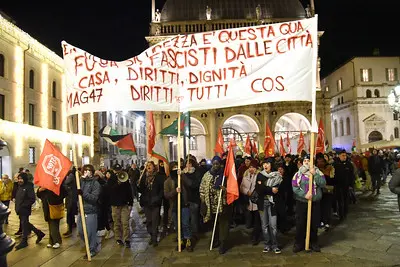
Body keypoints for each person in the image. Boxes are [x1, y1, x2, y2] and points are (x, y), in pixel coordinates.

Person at [292, 155, 326, 253]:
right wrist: (304, 195)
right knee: (301, 223)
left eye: (308, 160)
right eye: (305, 160)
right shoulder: (298, 174)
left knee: (314, 223)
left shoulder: (318, 172)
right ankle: (299, 243)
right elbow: (295, 187)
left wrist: (315, 174)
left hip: (314, 203)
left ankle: (313, 242)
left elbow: (323, 183)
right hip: (302, 203)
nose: (307, 162)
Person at [199, 156, 232, 254]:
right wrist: (203, 199)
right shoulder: (207, 175)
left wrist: (225, 190)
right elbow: (202, 188)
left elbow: (231, 190)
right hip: (211, 205)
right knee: (214, 223)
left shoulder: (224, 176)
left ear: (220, 164)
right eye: (214, 163)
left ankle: (223, 242)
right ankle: (215, 239)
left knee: (223, 224)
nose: (215, 165)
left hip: (222, 205)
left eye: (217, 163)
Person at [255, 158, 282, 254]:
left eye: (267, 163)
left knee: (273, 225)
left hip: (272, 203)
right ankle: (267, 244)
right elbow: (259, 189)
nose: (265, 165)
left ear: (271, 165)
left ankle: (275, 245)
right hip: (262, 203)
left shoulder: (277, 175)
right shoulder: (260, 175)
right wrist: (270, 190)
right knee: (264, 225)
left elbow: (278, 189)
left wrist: (267, 188)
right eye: (264, 164)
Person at [14, 172, 45, 250]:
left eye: (21, 179)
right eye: (19, 179)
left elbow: (32, 199)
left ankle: (24, 241)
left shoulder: (28, 186)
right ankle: (39, 233)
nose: (19, 180)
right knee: (25, 223)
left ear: (24, 179)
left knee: (24, 224)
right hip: (19, 208)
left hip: (24, 209)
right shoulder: (19, 186)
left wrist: (23, 205)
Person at [77, 164, 101, 259]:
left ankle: (92, 249)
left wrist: (84, 194)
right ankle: (92, 243)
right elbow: (68, 184)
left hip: (91, 211)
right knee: (81, 231)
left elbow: (94, 198)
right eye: (85, 170)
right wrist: (72, 173)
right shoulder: (80, 181)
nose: (87, 172)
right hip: (81, 210)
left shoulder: (95, 184)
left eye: (89, 171)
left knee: (90, 232)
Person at [138, 161, 164, 247]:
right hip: (146, 202)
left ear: (154, 167)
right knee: (149, 221)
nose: (149, 167)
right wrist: (139, 181)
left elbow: (161, 189)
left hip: (155, 202)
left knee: (155, 220)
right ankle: (151, 235)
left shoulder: (158, 177)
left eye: (150, 165)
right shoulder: (143, 177)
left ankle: (154, 238)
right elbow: (140, 189)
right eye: (147, 165)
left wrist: (158, 198)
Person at [108, 164, 133, 248]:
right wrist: (118, 183)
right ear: (114, 170)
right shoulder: (111, 179)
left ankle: (127, 239)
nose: (117, 172)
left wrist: (131, 202)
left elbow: (129, 191)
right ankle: (118, 238)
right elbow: (110, 190)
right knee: (117, 222)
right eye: (116, 170)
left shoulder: (125, 178)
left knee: (125, 222)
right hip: (115, 205)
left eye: (119, 170)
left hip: (124, 204)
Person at [240, 159, 261, 245]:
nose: (251, 169)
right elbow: (242, 187)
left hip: (257, 201)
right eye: (250, 167)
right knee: (251, 219)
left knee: (257, 219)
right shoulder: (245, 176)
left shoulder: (259, 176)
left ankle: (255, 236)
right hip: (249, 201)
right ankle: (253, 234)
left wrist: (254, 193)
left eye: (253, 167)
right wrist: (246, 191)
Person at [63, 167, 78, 237]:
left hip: (71, 197)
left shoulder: (71, 176)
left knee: (69, 213)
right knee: (71, 213)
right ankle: (73, 224)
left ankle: (69, 230)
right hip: (73, 197)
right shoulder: (74, 175)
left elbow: (65, 183)